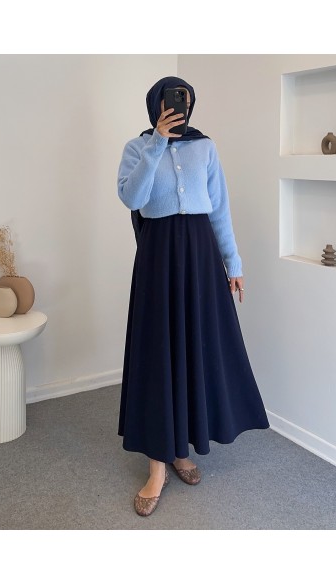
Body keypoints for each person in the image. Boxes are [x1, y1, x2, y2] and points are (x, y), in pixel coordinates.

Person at [117, 76, 269, 517]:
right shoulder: (137, 147)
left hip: (200, 256)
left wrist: (233, 263)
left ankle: (182, 450)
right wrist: (157, 144)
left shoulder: (205, 147)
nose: (177, 106)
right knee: (159, 355)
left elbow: (218, 207)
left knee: (195, 351)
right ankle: (157, 467)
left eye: (183, 100)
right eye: (170, 100)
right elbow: (132, 197)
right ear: (156, 105)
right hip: (159, 257)